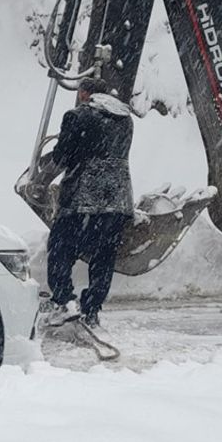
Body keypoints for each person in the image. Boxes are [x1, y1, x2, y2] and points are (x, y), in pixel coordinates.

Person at [43, 77, 134, 328]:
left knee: (61, 248)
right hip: (117, 197)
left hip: (82, 196)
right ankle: (91, 308)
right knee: (104, 256)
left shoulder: (77, 116)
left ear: (84, 93)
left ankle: (64, 301)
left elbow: (63, 156)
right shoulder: (126, 119)